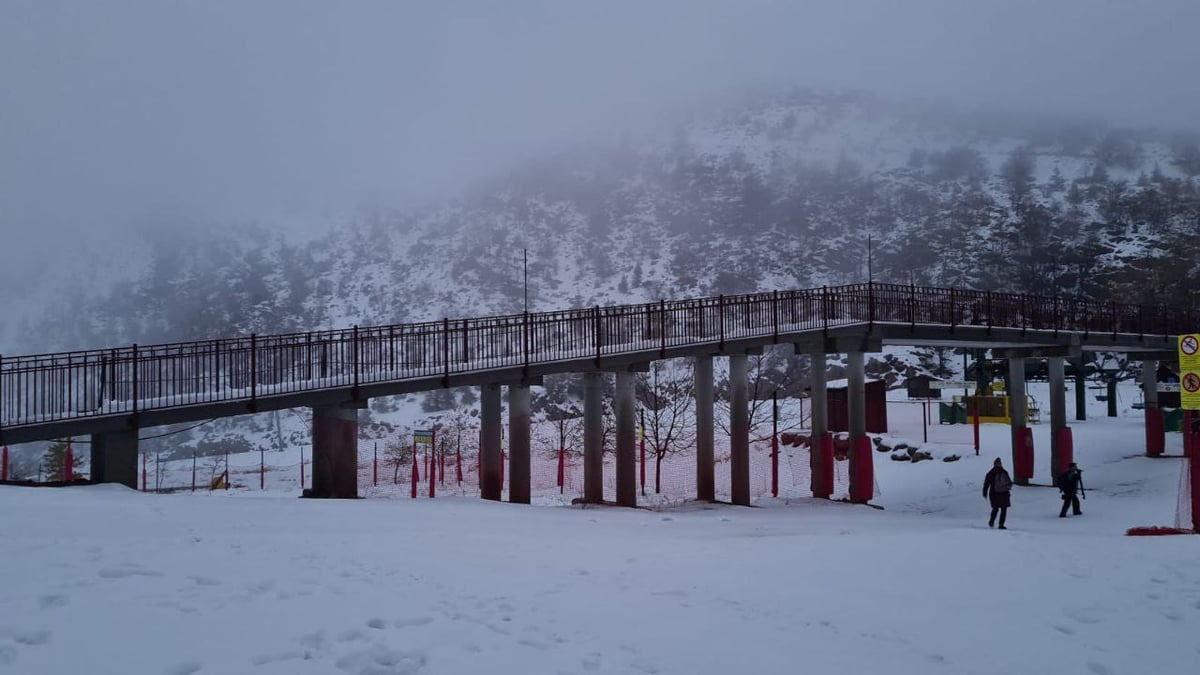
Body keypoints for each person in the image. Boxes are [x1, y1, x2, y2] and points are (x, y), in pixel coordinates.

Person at [982, 457, 1013, 529]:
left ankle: (991, 521)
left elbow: (986, 484)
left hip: (994, 493)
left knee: (995, 508)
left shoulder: (990, 473)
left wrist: (985, 492)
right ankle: (1001, 524)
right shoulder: (1004, 472)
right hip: (1004, 494)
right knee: (1004, 509)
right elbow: (1009, 482)